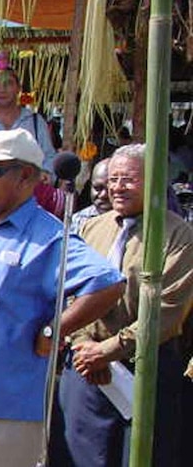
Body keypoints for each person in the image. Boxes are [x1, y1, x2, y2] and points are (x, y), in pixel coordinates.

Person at [0, 128, 124, 467]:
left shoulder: (48, 237)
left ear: (25, 177)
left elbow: (108, 283)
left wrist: (54, 329)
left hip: (8, 403)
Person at [60, 143, 193, 467]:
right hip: (85, 365)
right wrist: (83, 344)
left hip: (145, 365)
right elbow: (68, 289)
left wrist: (111, 348)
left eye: (128, 179)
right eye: (113, 179)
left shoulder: (178, 235)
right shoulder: (91, 227)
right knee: (83, 454)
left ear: (154, 180)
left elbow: (168, 310)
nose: (117, 187)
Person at [71, 158, 111, 234]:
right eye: (97, 188)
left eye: (109, 189)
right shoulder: (79, 219)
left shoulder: (130, 222)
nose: (103, 195)